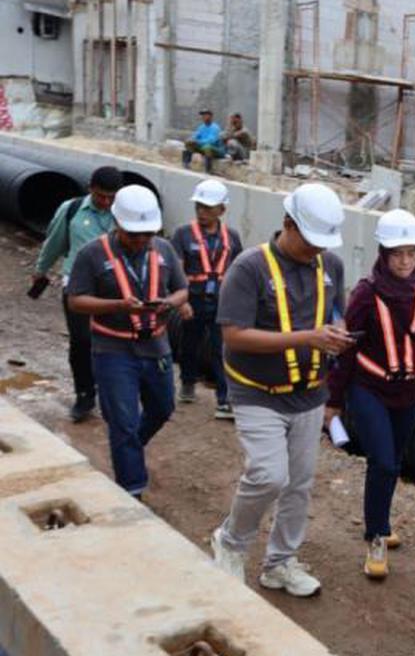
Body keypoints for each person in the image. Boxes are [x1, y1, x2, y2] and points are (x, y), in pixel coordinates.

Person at [209, 183, 352, 598]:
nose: (316, 251)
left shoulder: (331, 265)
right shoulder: (249, 268)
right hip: (257, 391)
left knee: (299, 483)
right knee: (269, 475)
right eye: (310, 241)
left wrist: (337, 332)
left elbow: (335, 313)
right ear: (288, 223)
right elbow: (234, 336)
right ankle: (231, 542)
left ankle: (280, 563)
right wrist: (307, 338)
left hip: (309, 392)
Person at [326, 209, 415, 580]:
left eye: (411, 253)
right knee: (382, 461)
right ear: (383, 255)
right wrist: (334, 402)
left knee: (395, 461)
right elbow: (348, 347)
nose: (405, 261)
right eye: (397, 253)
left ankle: (381, 520)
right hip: (369, 388)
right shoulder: (367, 293)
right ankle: (375, 538)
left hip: (409, 390)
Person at [66, 185, 188, 498]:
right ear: (117, 223)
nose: (141, 241)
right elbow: (76, 301)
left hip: (156, 346)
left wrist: (170, 303)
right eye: (135, 234)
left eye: (147, 234)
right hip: (113, 349)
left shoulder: (163, 250)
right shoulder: (92, 254)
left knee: (162, 408)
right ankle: (132, 490)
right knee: (123, 421)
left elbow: (182, 289)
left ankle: (129, 447)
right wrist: (118, 305)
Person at [32, 166, 123, 421]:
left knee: (114, 340)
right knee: (82, 340)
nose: (105, 202)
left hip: (116, 287)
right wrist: (41, 270)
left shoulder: (123, 213)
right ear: (90, 188)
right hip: (78, 285)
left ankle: (114, 392)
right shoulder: (71, 210)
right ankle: (84, 394)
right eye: (100, 196)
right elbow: (55, 241)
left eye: (111, 197)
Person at [170, 179, 243, 416]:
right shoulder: (183, 234)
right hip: (194, 300)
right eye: (199, 207)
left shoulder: (231, 237)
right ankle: (188, 381)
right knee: (189, 342)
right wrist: (182, 301)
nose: (202, 212)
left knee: (220, 347)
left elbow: (238, 271)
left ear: (221, 210)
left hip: (222, 302)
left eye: (208, 208)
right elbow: (177, 269)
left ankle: (225, 398)